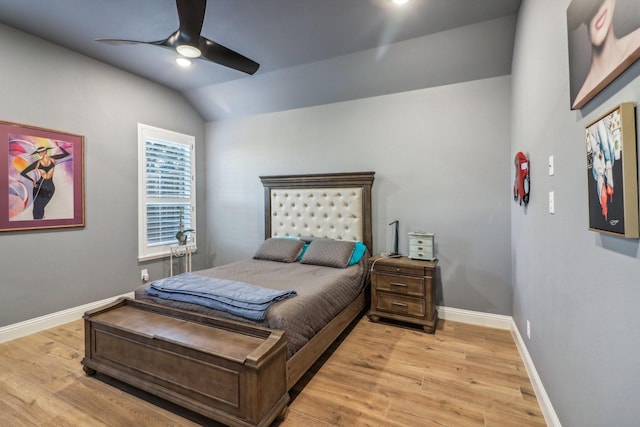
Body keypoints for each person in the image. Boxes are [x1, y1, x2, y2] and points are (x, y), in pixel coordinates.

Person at [570, 0, 640, 108]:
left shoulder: (636, 40)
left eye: (601, 1)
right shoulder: (581, 95)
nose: (598, 10)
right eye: (589, 10)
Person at [19, 144, 70, 219]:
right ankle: (38, 223)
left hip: (49, 186)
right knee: (37, 207)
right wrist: (32, 180)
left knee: (41, 206)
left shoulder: (53, 159)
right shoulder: (37, 163)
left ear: (45, 151)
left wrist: (59, 146)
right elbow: (23, 173)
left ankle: (40, 222)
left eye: (42, 152)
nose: (40, 154)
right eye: (39, 153)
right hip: (39, 186)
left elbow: (66, 154)